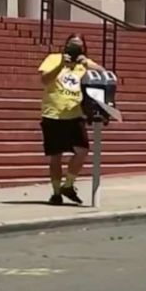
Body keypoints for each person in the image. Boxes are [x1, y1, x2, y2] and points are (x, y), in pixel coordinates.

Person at [37, 33, 105, 205]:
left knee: (82, 150)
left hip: (74, 113)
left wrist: (85, 62)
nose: (75, 48)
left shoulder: (84, 64)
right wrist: (61, 65)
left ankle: (68, 185)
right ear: (66, 45)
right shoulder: (54, 58)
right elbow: (45, 80)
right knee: (56, 156)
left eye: (79, 45)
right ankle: (56, 192)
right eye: (72, 44)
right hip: (53, 113)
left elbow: (103, 75)